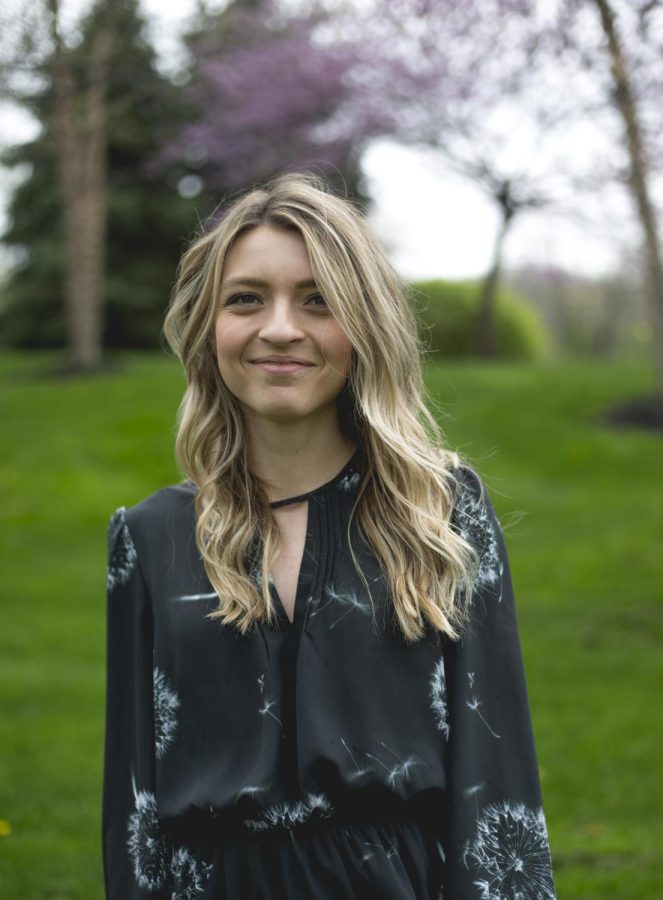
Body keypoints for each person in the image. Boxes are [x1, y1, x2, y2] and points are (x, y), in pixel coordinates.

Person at [102, 173, 555, 899]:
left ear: (364, 322)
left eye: (317, 300)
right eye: (245, 298)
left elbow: (497, 783)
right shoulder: (148, 536)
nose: (279, 328)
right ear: (206, 326)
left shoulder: (439, 514)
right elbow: (133, 805)